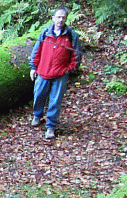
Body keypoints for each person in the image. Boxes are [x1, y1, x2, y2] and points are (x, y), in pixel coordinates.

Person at [29, 7, 82, 139]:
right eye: (58, 17)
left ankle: (51, 127)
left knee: (55, 101)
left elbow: (76, 55)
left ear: (66, 19)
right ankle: (37, 116)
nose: (60, 20)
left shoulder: (71, 35)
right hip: (43, 71)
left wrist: (69, 69)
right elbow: (37, 51)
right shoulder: (45, 33)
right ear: (53, 18)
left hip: (60, 74)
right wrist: (33, 67)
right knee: (38, 95)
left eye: (63, 17)